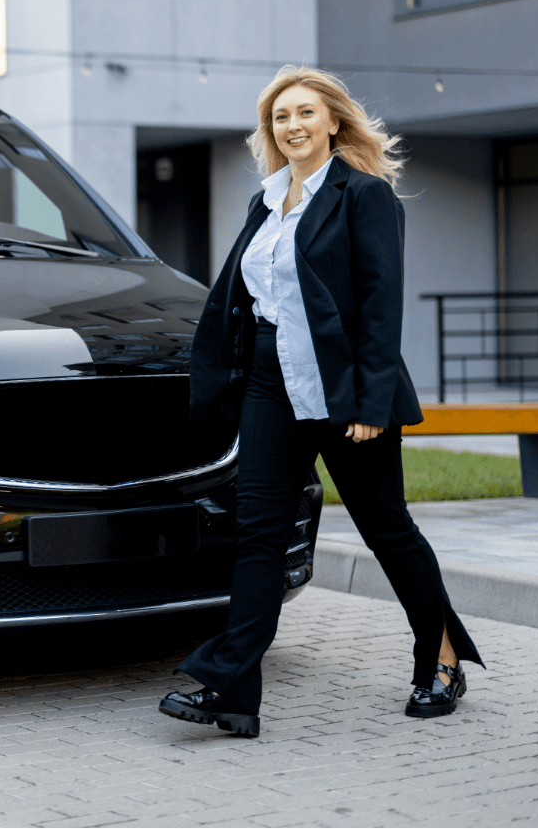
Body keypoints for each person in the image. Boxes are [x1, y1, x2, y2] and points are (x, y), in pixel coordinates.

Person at [158, 66, 483, 739]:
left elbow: (377, 303)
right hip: (270, 382)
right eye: (280, 117)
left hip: (343, 387)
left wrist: (367, 398)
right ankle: (231, 690)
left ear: (333, 121)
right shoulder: (265, 201)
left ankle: (441, 657)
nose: (292, 126)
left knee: (386, 528)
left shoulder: (363, 196)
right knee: (258, 533)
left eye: (305, 112)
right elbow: (242, 301)